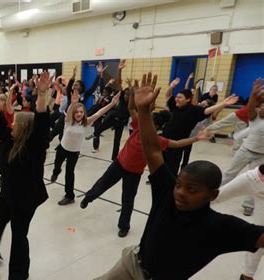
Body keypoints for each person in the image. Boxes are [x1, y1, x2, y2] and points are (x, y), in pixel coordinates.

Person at [47, 72, 264, 280]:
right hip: (135, 263)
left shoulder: (220, 227)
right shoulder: (166, 190)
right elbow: (151, 147)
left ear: (212, 196)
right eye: (181, 184)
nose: (181, 193)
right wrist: (145, 112)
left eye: (192, 190)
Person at [80, 82, 212, 237]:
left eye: (150, 124)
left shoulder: (158, 140)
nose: (145, 124)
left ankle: (124, 226)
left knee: (128, 199)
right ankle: (88, 198)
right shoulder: (138, 126)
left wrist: (196, 138)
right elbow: (131, 109)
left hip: (134, 173)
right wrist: (133, 95)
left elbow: (176, 143)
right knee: (102, 184)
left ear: (156, 127)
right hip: (119, 164)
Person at [0, 72, 51, 280]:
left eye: (16, 123)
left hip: (26, 199)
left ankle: (19, 274)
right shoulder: (10, 140)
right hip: (8, 192)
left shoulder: (36, 147)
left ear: (25, 128)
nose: (12, 125)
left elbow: (43, 120)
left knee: (19, 235)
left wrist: (43, 93)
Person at [51, 91, 120, 206]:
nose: (79, 114)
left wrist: (112, 104)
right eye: (77, 112)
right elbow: (69, 112)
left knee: (69, 173)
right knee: (57, 165)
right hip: (62, 148)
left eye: (81, 112)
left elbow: (99, 113)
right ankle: (56, 172)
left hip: (74, 152)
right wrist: (73, 103)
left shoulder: (86, 122)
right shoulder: (68, 121)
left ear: (84, 113)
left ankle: (69, 196)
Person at [162, 77, 238, 175]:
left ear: (188, 99)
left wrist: (223, 104)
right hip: (165, 139)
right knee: (160, 161)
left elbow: (207, 110)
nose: (177, 99)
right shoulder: (175, 106)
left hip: (179, 142)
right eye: (177, 96)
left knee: (172, 164)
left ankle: (172, 180)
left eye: (180, 97)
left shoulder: (193, 110)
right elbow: (168, 95)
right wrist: (171, 86)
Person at [215, 164, 264, 280]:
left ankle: (247, 275)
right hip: (254, 179)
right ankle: (178, 215)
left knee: (260, 238)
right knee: (215, 197)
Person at [220, 78, 264, 216]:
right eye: (261, 106)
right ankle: (216, 192)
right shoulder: (255, 117)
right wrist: (253, 92)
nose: (262, 108)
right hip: (245, 150)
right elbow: (250, 107)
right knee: (229, 173)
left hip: (261, 155)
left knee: (255, 180)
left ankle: (248, 205)